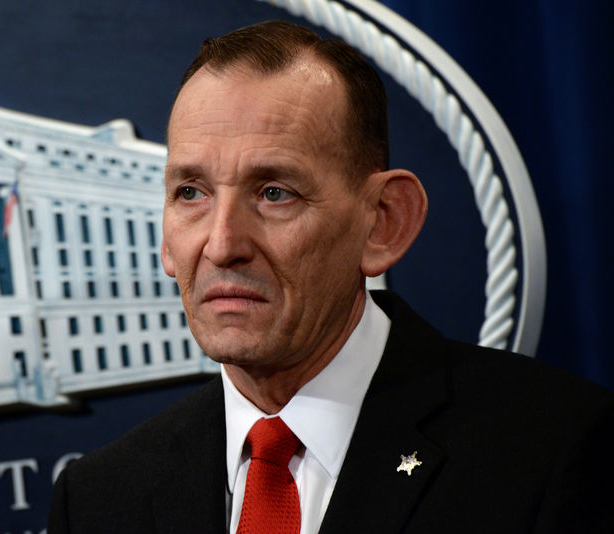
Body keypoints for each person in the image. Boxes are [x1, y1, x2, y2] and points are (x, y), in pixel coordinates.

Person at [48, 20, 614, 533]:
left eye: (274, 193)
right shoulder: (99, 498)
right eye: (190, 193)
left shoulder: (555, 449)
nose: (220, 245)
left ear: (383, 223)